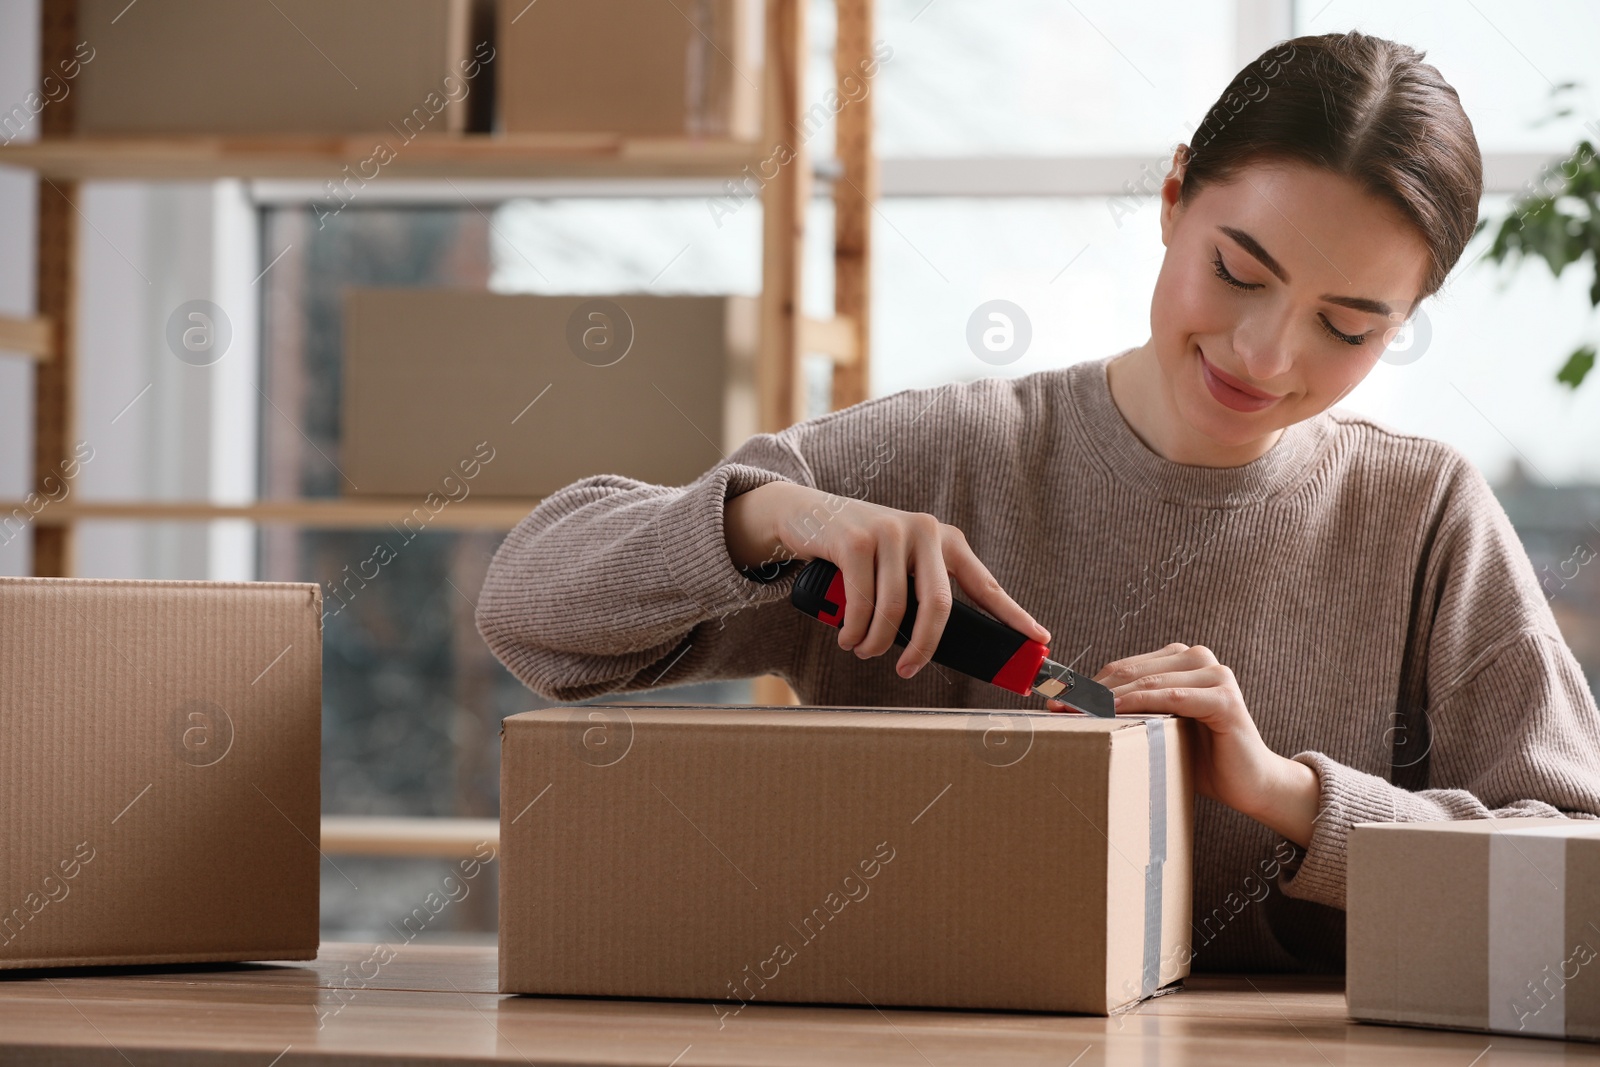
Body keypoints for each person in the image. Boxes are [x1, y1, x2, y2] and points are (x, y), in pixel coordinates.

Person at [476, 30, 1600, 971]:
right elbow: (528, 613)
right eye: (1239, 273)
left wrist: (1292, 796)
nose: (1265, 352)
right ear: (1170, 198)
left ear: (1401, 324)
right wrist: (772, 519)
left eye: (1348, 325)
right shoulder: (940, 455)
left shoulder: (1420, 514)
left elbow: (1575, 875)